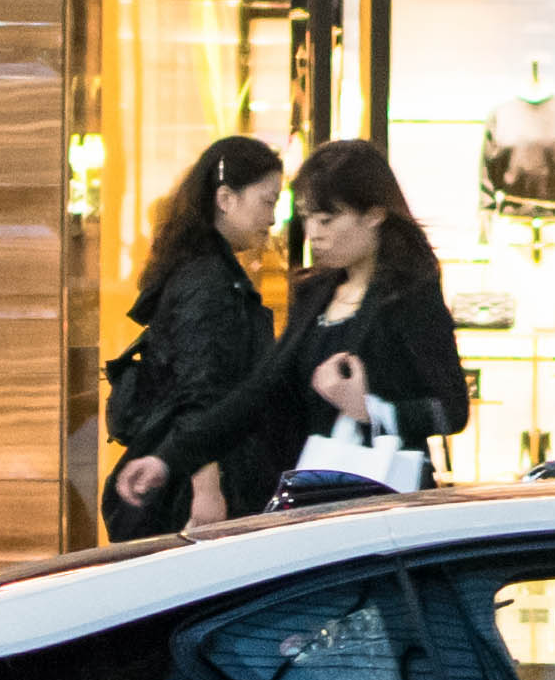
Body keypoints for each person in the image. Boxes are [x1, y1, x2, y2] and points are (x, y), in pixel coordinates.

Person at [158, 139, 468, 500]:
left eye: (327, 219)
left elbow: (452, 409)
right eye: (307, 218)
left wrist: (371, 410)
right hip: (314, 494)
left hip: (386, 501)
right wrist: (169, 459)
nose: (314, 233)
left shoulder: (410, 295)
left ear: (374, 214)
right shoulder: (314, 293)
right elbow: (260, 391)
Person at [105, 134, 287, 540]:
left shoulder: (207, 272)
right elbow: (199, 389)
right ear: (226, 199)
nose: (273, 218)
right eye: (267, 201)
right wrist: (207, 491)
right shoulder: (208, 280)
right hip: (197, 490)